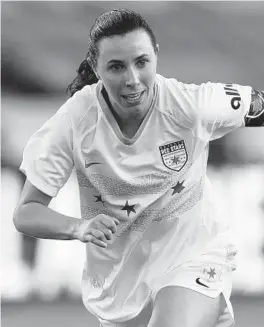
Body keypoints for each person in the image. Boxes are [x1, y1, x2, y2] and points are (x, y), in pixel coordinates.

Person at [13, 8, 264, 327]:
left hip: (194, 260)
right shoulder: (75, 122)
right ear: (95, 66)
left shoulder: (190, 105)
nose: (132, 80)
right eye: (116, 67)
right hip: (120, 289)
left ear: (156, 56)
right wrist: (77, 227)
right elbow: (26, 212)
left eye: (141, 62)